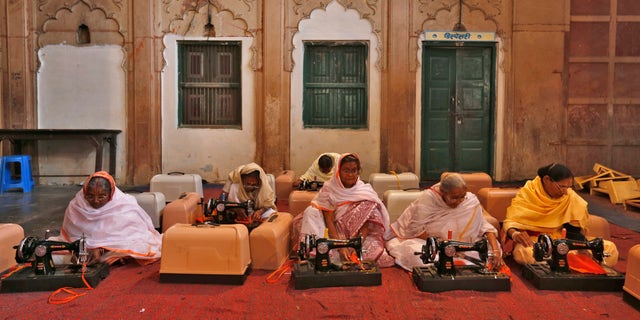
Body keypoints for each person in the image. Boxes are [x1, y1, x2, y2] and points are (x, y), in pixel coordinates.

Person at [502, 163, 619, 267]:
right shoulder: (529, 193)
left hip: (562, 240)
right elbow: (510, 222)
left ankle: (567, 260)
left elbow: (573, 231)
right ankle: (575, 262)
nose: (565, 191)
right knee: (525, 254)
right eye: (562, 187)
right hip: (535, 241)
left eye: (569, 187)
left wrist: (582, 247)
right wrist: (516, 234)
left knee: (610, 249)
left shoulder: (569, 196)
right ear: (547, 179)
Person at [385, 173, 504, 272]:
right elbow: (413, 229)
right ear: (442, 192)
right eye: (455, 197)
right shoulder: (428, 200)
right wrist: (442, 244)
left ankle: (459, 261)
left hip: (466, 246)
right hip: (432, 244)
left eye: (462, 196)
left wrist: (495, 251)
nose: (460, 201)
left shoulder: (470, 201)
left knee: (489, 251)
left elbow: (484, 226)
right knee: (418, 256)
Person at [292, 153, 395, 267]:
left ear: (358, 171)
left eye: (354, 170)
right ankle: (322, 252)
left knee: (370, 209)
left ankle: (347, 250)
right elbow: (329, 220)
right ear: (338, 171)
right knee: (312, 212)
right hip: (330, 231)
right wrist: (340, 246)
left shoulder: (364, 191)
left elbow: (366, 223)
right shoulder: (330, 189)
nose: (350, 174)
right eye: (346, 170)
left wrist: (355, 245)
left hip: (356, 234)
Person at [53, 171, 162, 265]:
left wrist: (101, 249)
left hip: (116, 245)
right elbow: (72, 236)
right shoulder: (76, 206)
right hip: (85, 249)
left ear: (111, 194)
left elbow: (132, 236)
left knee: (135, 248)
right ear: (85, 193)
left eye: (101, 196)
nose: (96, 201)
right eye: (90, 196)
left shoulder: (125, 206)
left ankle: (108, 255)